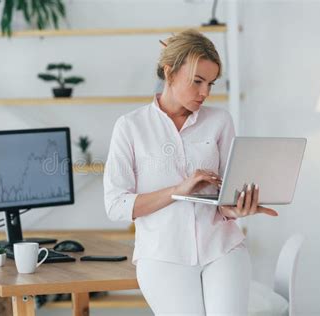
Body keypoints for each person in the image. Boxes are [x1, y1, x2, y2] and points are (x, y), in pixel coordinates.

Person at [103, 29, 278, 316]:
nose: (205, 92)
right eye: (197, 81)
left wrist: (238, 208)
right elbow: (116, 205)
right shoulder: (130, 126)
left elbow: (223, 203)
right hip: (162, 256)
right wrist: (177, 191)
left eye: (210, 83)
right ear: (169, 72)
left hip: (223, 249)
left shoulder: (220, 121)